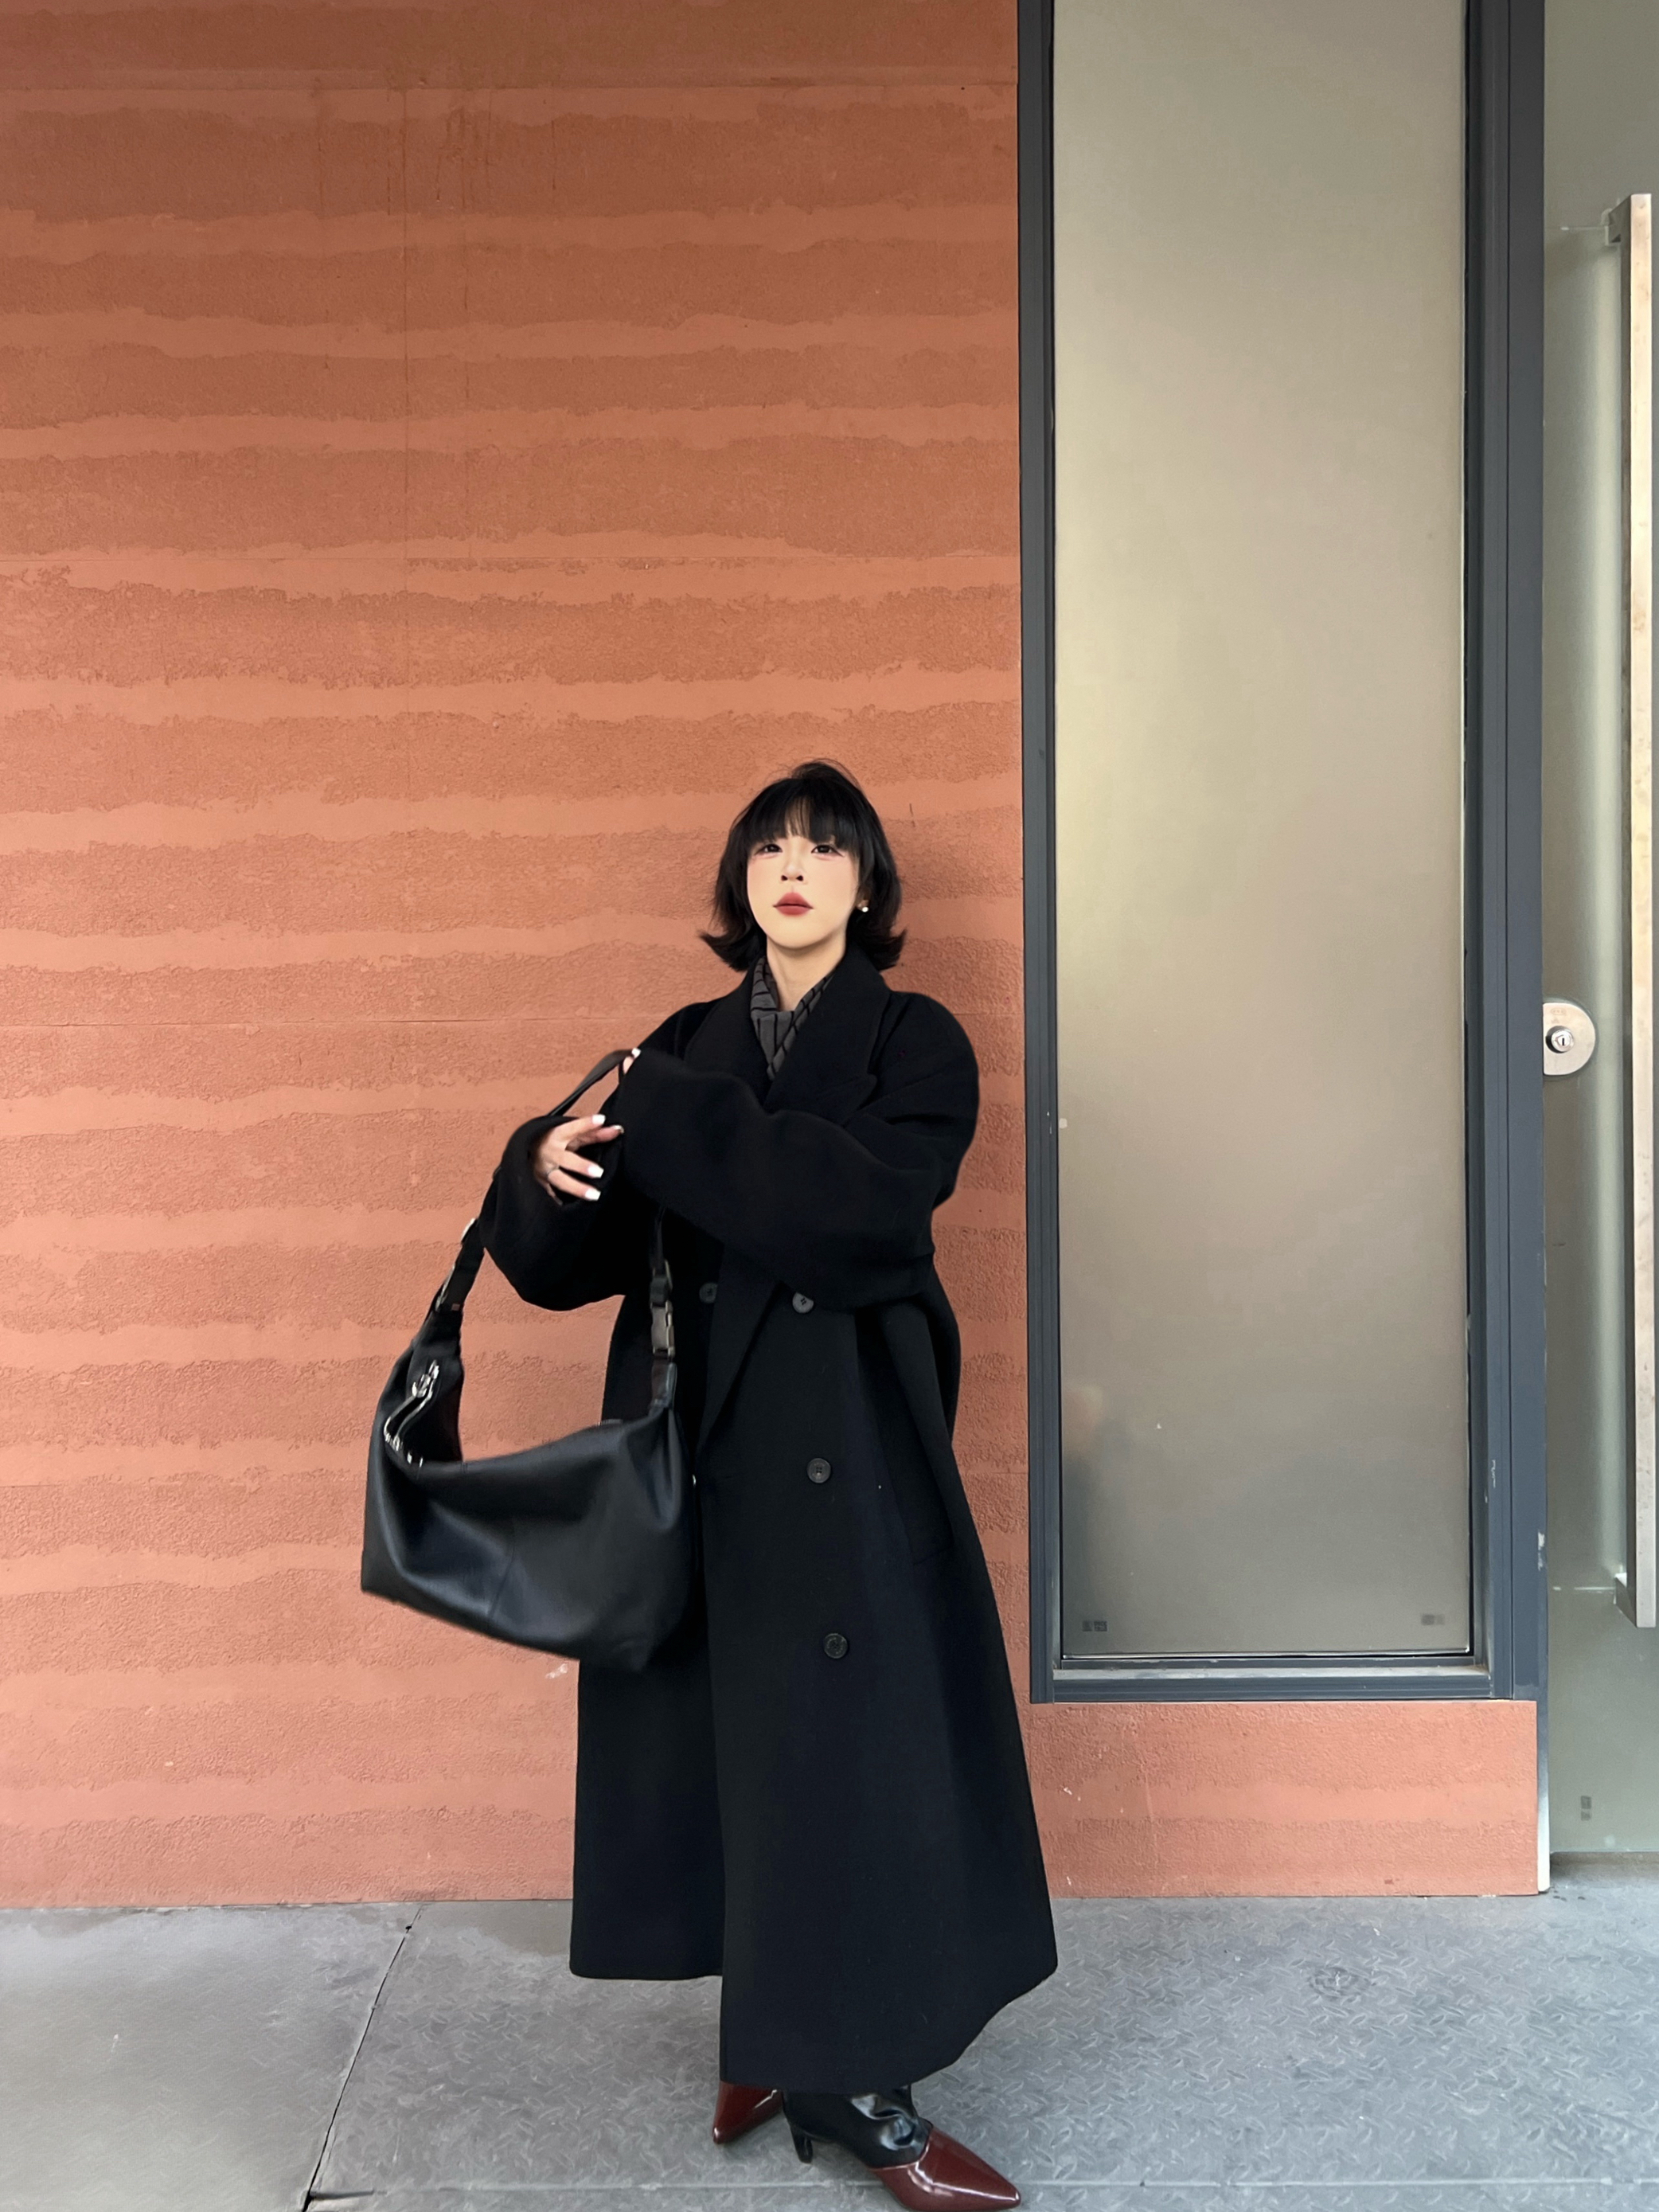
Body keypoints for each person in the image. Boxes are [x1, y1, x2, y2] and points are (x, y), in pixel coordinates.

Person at [481, 760, 1056, 2210]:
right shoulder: (686, 1044)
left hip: (855, 1453)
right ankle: (777, 2040)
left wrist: (675, 1121)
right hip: (705, 1460)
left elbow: (858, 1217)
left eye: (825, 849)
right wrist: (541, 1168)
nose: (794, 868)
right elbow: (573, 1264)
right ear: (742, 884)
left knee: (851, 1765)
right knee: (732, 1758)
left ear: (868, 887)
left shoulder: (916, 1043)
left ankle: (856, 2082)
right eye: (770, 849)